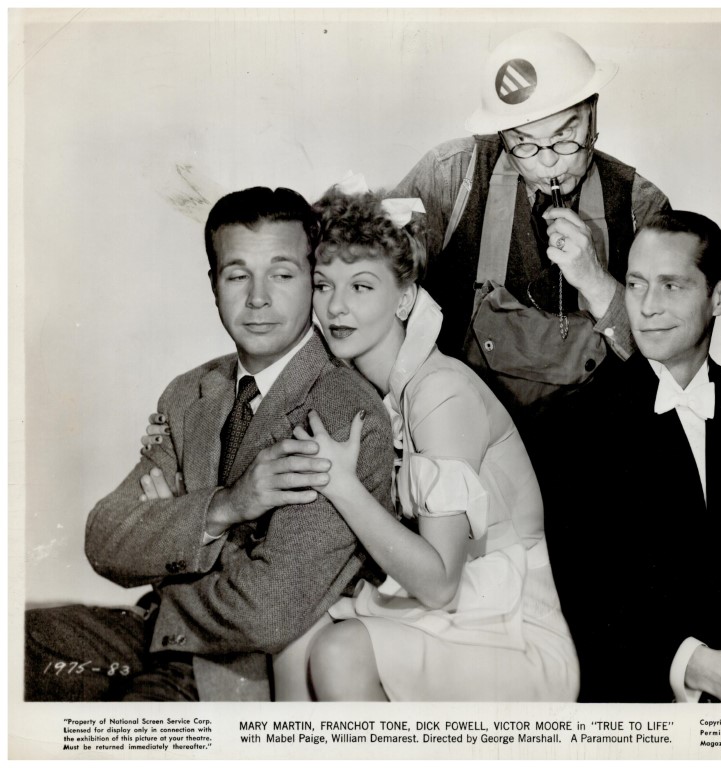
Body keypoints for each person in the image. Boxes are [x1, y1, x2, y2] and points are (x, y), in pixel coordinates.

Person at [24, 187, 394, 702]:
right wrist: (225, 507)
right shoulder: (190, 392)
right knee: (20, 641)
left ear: (313, 281)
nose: (258, 298)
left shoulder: (339, 413)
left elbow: (266, 614)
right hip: (154, 634)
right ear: (214, 285)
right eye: (238, 275)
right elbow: (104, 537)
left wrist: (164, 555)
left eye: (282, 275)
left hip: (239, 674)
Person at [274, 187, 579, 701]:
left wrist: (341, 484)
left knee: (339, 651)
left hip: (512, 633)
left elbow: (439, 583)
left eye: (361, 286)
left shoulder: (440, 390)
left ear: (405, 298)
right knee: (292, 633)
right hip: (455, 616)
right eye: (323, 285)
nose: (336, 306)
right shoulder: (379, 392)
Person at [537, 210, 721, 702]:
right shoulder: (571, 424)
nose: (647, 307)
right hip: (634, 689)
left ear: (720, 296)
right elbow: (587, 595)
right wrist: (703, 670)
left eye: (671, 286)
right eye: (635, 285)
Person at [390, 28, 670, 430]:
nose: (548, 162)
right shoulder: (450, 176)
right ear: (502, 136)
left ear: (592, 112)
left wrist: (596, 281)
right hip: (463, 433)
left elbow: (669, 361)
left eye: (565, 137)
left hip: (598, 443)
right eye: (524, 145)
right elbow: (369, 291)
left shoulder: (639, 205)